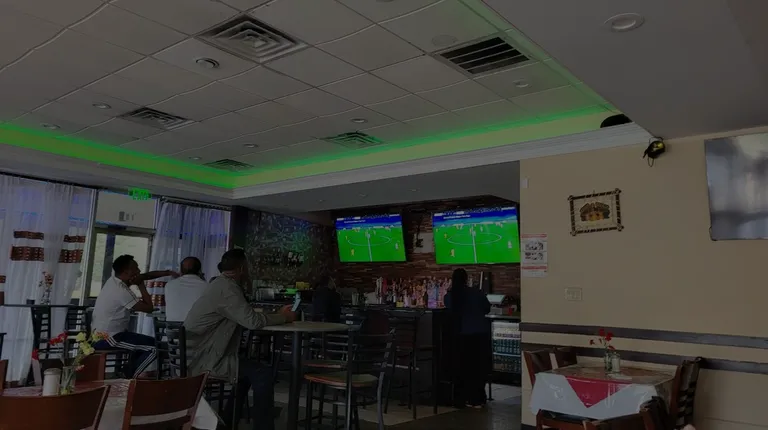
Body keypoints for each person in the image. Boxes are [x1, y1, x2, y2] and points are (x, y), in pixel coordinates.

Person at [185, 249, 295, 430]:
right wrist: (284, 317)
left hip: (197, 354)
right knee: (263, 373)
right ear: (242, 268)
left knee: (246, 374)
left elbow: (246, 315)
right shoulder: (228, 289)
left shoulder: (219, 284)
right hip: (206, 359)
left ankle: (228, 422)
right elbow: (252, 321)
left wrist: (275, 314)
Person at [91, 254, 178, 378]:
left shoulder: (114, 281)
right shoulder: (120, 291)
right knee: (155, 348)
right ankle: (131, 379)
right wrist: (141, 284)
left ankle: (127, 372)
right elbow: (149, 308)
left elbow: (146, 276)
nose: (139, 271)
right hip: (109, 338)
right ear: (126, 272)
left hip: (110, 334)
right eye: (136, 268)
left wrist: (168, 273)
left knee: (152, 343)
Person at [444, 268, 491, 408]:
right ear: (466, 279)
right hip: (480, 335)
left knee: (462, 368)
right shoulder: (476, 293)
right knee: (478, 368)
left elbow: (448, 310)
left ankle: (462, 398)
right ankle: (477, 399)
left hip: (460, 336)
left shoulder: (450, 296)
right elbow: (487, 308)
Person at [164, 257, 208, 322]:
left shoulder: (169, 285)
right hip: (196, 327)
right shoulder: (207, 286)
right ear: (199, 270)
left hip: (172, 327)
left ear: (180, 271)